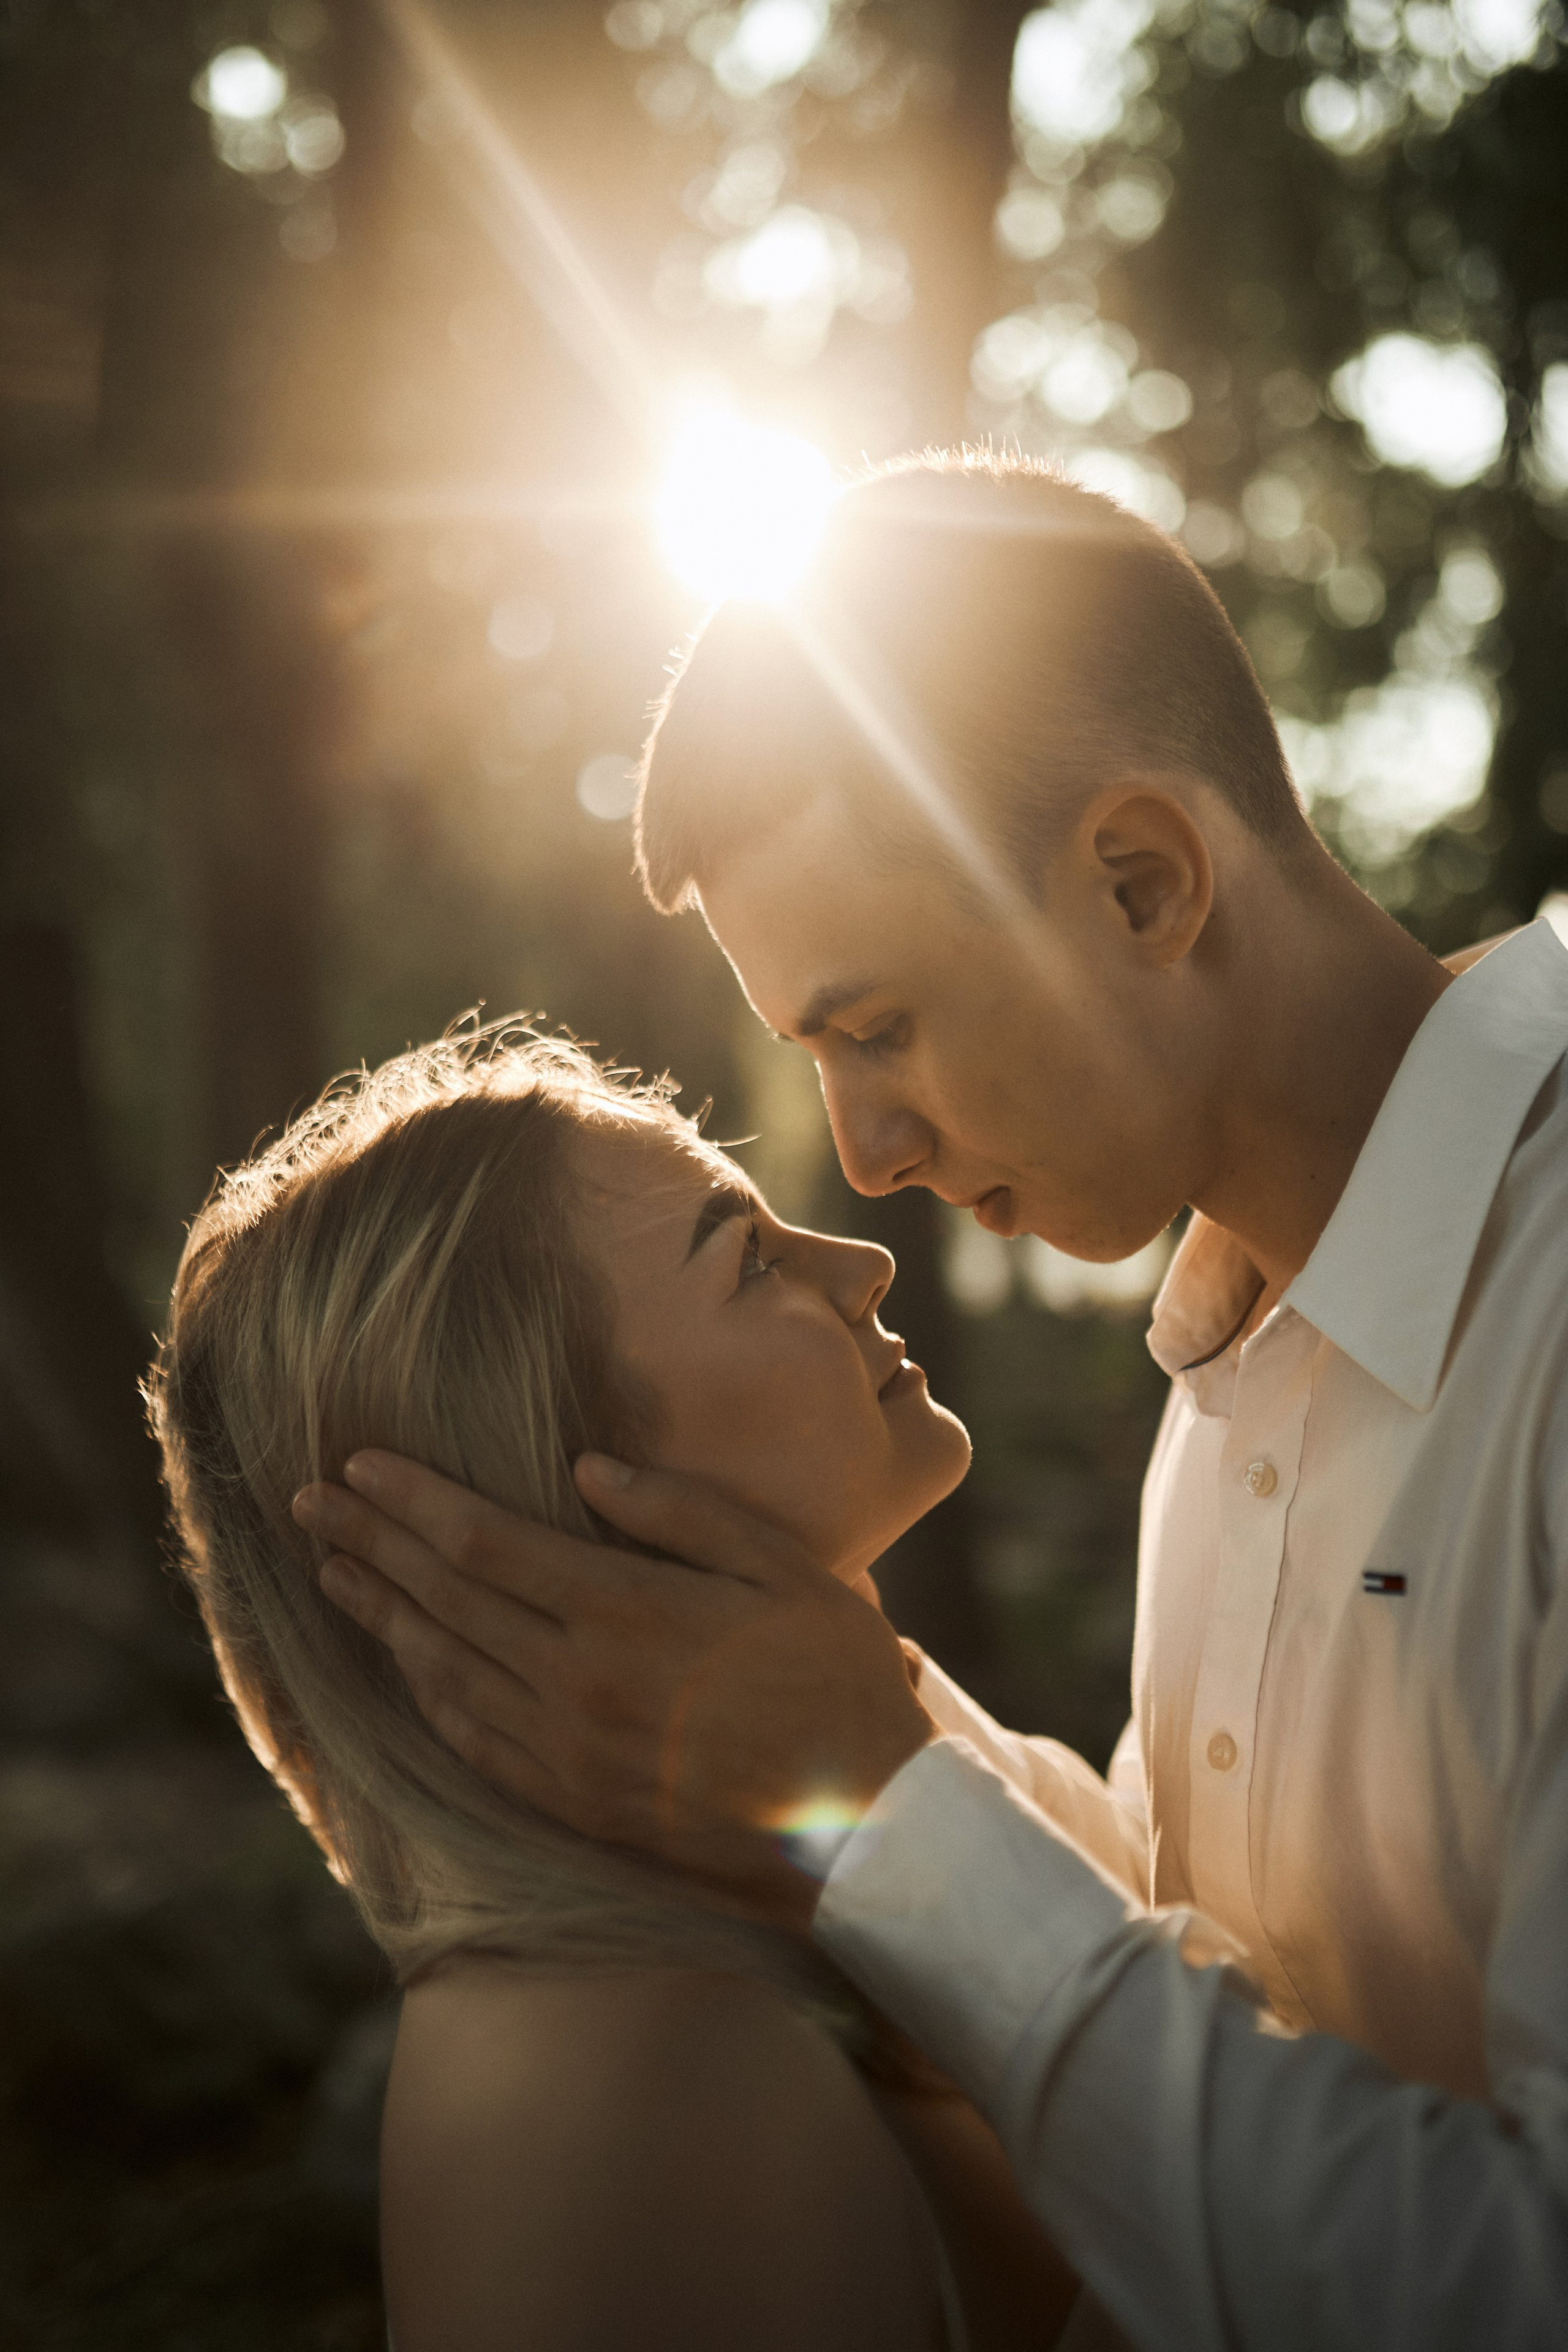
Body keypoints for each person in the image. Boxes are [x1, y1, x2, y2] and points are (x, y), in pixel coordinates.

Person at [300, 451, 1568, 2349]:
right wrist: (816, 1737)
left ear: (1145, 883)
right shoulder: (1255, 1349)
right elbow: (1227, 1974)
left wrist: (885, 1806)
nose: (865, 1161)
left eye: (875, 1030)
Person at [149, 1022, 1086, 2351]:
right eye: (747, 1257)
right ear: (553, 1472)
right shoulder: (644, 2079)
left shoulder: (761, 1905)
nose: (865, 1261)